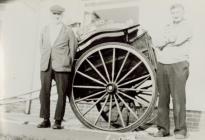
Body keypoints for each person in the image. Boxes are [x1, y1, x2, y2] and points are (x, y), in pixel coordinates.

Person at [154, 3, 192, 139]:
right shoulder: (167, 26)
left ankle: (180, 131)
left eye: (178, 12)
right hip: (163, 64)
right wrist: (167, 40)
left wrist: (167, 40)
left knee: (178, 99)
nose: (175, 15)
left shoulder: (187, 26)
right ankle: (163, 129)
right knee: (162, 99)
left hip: (179, 63)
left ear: (183, 13)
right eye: (173, 13)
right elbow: (157, 42)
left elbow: (176, 39)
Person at [37, 5, 77, 129]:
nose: (56, 16)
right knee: (44, 92)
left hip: (62, 65)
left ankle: (58, 121)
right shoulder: (45, 29)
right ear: (51, 15)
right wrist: (45, 57)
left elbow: (73, 48)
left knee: (61, 93)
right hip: (46, 64)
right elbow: (42, 45)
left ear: (62, 16)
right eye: (54, 14)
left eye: (58, 14)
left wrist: (67, 61)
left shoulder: (68, 30)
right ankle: (45, 120)